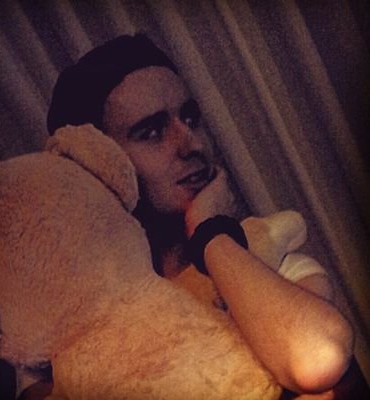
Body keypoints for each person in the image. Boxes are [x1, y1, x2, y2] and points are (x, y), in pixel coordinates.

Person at [43, 34, 353, 397]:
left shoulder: (267, 254)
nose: (193, 143)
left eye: (190, 118)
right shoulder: (63, 320)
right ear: (98, 166)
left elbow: (319, 354)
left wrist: (210, 233)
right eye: (152, 132)